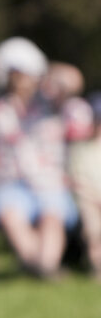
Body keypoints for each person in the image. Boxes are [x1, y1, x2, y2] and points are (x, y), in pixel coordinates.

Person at [0, 38, 76, 278]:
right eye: (16, 74)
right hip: (10, 185)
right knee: (11, 215)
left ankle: (44, 267)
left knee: (52, 218)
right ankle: (44, 271)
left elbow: (73, 80)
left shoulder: (51, 104)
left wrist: (39, 69)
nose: (21, 79)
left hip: (49, 184)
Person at [69, 94, 101, 281]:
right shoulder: (80, 149)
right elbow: (77, 180)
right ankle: (96, 266)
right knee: (93, 227)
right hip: (87, 200)